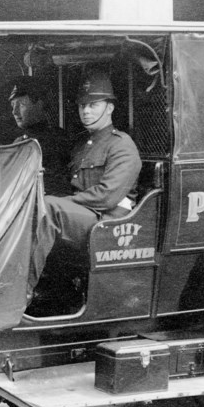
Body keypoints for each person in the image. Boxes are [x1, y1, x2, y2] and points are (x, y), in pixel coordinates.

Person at [30, 71, 143, 291]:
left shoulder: (122, 145)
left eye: (94, 105)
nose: (86, 111)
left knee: (50, 207)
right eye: (83, 106)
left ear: (109, 108)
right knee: (37, 203)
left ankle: (21, 291)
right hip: (87, 215)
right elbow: (69, 183)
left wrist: (65, 200)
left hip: (107, 220)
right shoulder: (83, 144)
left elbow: (107, 197)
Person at [8, 76, 73, 196]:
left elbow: (58, 185)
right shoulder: (19, 142)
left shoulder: (57, 139)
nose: (15, 112)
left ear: (39, 104)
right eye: (13, 105)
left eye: (21, 105)